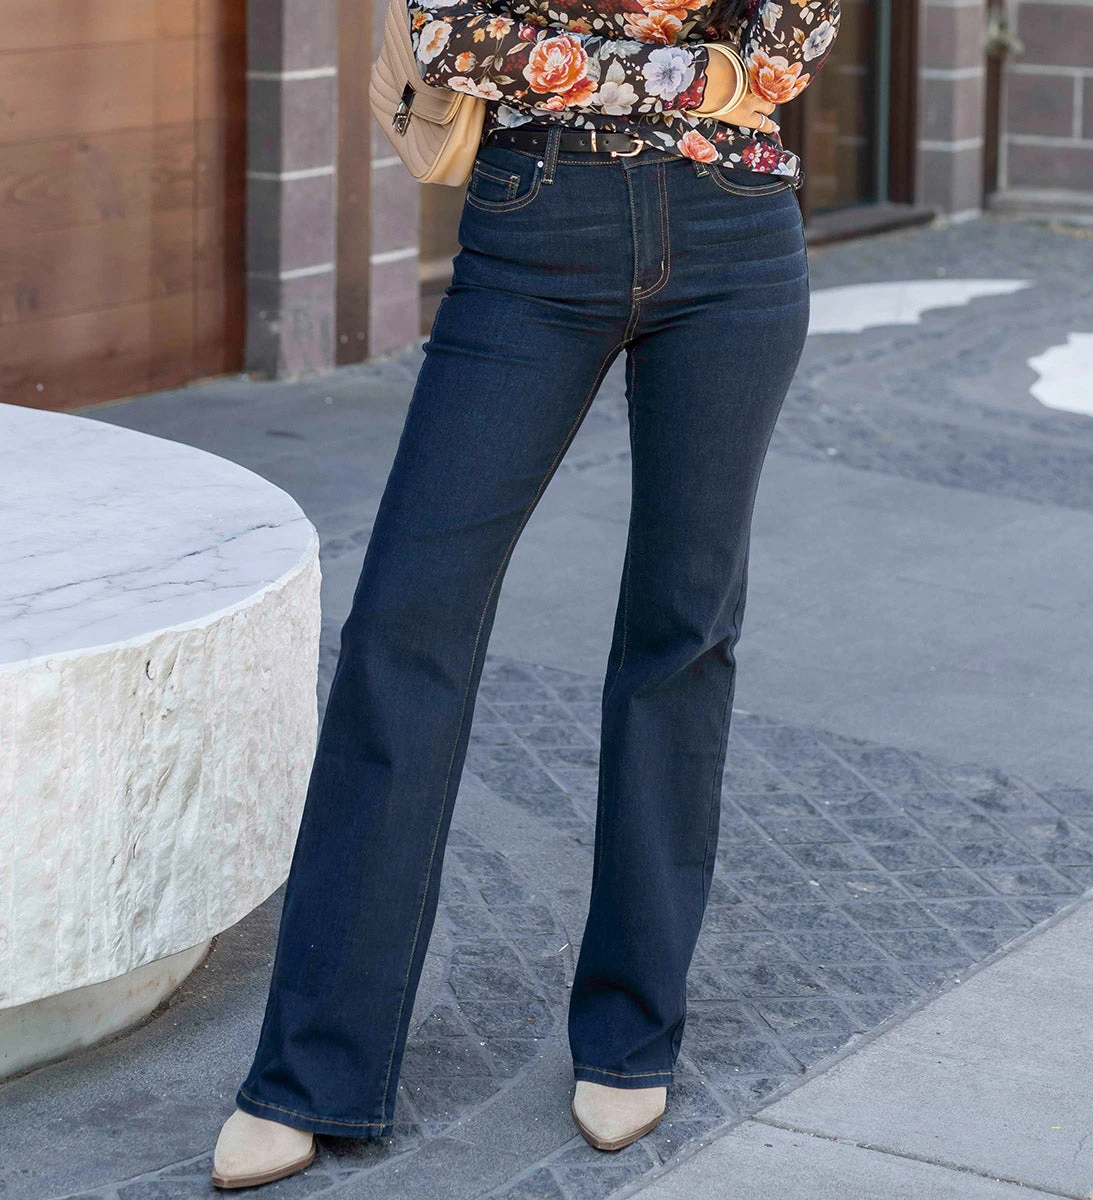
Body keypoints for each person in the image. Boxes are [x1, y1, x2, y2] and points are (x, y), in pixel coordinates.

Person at [211, 0, 840, 1186]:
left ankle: (632, 1029)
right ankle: (313, 1069)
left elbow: (783, 56)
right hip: (533, 227)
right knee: (405, 620)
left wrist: (598, 65)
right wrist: (691, 75)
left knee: (683, 634)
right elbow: (451, 39)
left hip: (737, 235)